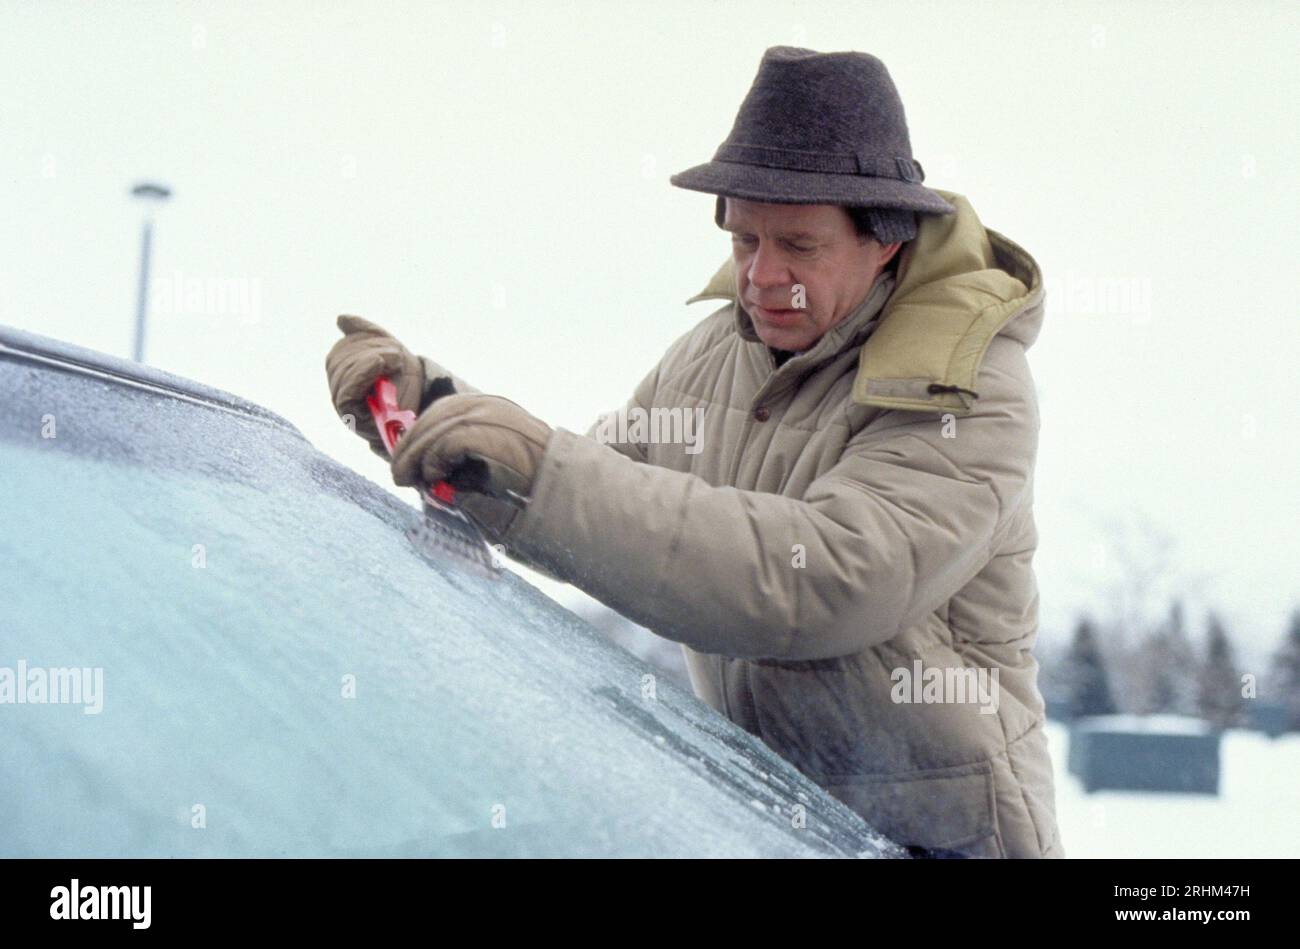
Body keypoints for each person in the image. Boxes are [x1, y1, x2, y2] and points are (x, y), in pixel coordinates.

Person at [325, 46, 1063, 858]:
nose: (759, 275)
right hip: (762, 820)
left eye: (798, 245)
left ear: (886, 240)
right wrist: (437, 413)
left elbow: (827, 578)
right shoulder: (713, 354)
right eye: (744, 238)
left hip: (940, 838)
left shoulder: (969, 383)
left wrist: (541, 473)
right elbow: (607, 488)